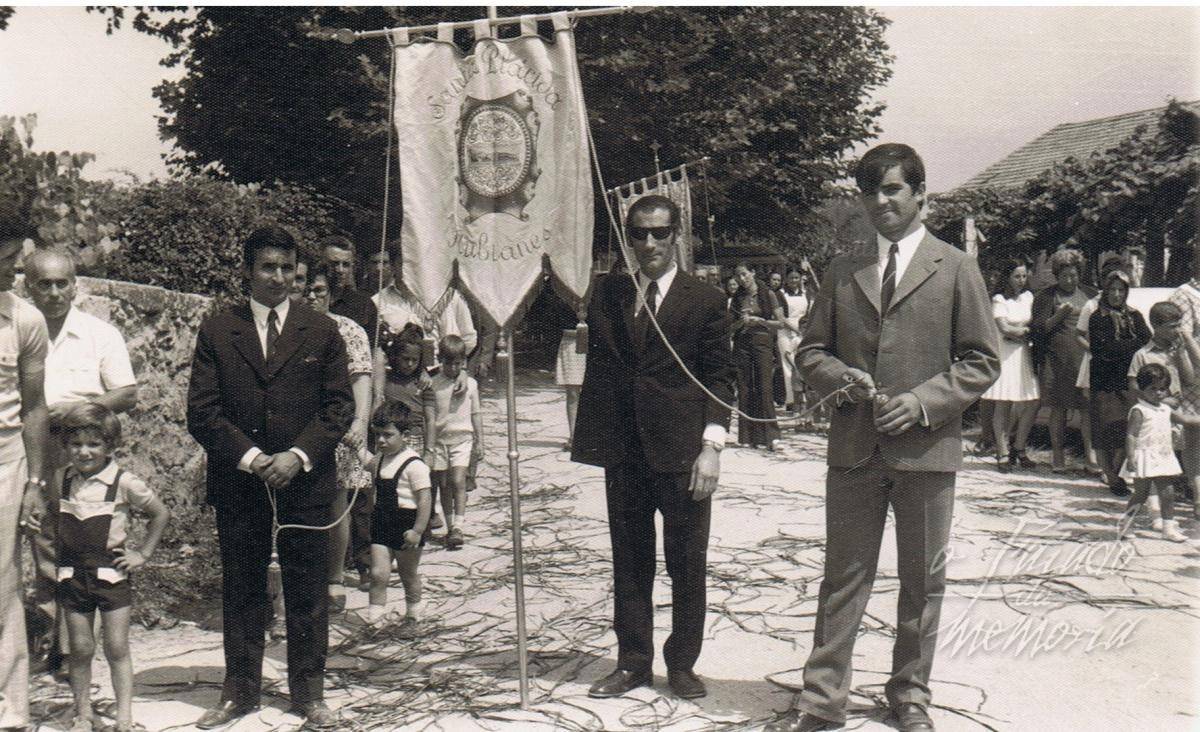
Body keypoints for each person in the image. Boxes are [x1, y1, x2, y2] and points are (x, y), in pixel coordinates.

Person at [770, 144, 999, 732]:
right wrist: (840, 378)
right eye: (869, 191)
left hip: (927, 451)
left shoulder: (957, 267)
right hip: (854, 449)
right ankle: (823, 700)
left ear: (920, 194)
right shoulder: (843, 270)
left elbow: (982, 360)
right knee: (843, 577)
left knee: (923, 582)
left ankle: (910, 696)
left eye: (892, 189)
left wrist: (923, 403)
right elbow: (810, 352)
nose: (880, 201)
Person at [186, 225, 353, 729]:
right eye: (267, 267)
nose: (277, 277)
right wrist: (255, 458)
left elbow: (338, 407)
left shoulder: (321, 330)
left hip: (305, 481)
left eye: (286, 268)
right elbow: (203, 412)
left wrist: (298, 455)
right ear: (248, 271)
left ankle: (309, 694)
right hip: (241, 482)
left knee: (307, 588)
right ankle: (239, 693)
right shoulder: (219, 330)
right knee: (243, 587)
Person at [572, 194, 735, 701]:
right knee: (629, 560)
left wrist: (712, 446)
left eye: (660, 232)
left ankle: (682, 664)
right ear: (628, 238)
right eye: (639, 233)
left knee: (686, 562)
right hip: (624, 452)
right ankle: (633, 663)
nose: (649, 243)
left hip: (683, 454)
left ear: (676, 235)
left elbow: (720, 378)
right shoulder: (608, 293)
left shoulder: (705, 300)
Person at [23, 248, 138, 678]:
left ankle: (75, 651)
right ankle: (48, 641)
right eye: (44, 284)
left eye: (62, 283)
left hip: (83, 450)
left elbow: (126, 392)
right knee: (41, 539)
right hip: (31, 445)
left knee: (82, 542)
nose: (54, 292)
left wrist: (78, 411)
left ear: (75, 286)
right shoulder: (17, 330)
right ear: (28, 287)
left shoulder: (98, 333)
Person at [50, 404, 168, 732]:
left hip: (111, 575)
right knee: (80, 648)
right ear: (65, 445)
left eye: (94, 444)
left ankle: (124, 717)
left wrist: (142, 553)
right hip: (73, 575)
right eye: (76, 444)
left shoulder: (124, 482)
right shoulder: (61, 479)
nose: (84, 452)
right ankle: (83, 713)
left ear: (110, 445)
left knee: (116, 647)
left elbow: (160, 514)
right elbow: (54, 516)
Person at [0, 224, 51, 732]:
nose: (15, 269)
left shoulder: (25, 319)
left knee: (2, 582)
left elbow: (34, 407)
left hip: (5, 461)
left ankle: (8, 711)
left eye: (17, 257)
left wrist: (35, 484)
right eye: (6, 258)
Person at [305, 261, 374, 615]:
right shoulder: (286, 327)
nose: (311, 296)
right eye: (306, 289)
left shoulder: (349, 330)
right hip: (299, 427)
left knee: (336, 499)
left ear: (331, 294)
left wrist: (359, 423)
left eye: (319, 290)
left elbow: (361, 379)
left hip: (339, 427)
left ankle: (334, 577)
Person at [360, 401, 431, 624]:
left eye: (388, 435)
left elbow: (425, 500)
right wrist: (355, 446)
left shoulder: (414, 464)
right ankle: (375, 617)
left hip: (407, 523)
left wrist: (418, 530)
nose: (381, 440)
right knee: (378, 573)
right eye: (377, 435)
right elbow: (368, 464)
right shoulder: (380, 457)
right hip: (382, 521)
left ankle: (414, 613)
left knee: (407, 574)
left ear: (405, 435)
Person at [1117, 364, 1199, 542]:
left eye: (1162, 389)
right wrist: (1130, 457)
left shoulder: (1165, 409)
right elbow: (1131, 435)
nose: (1158, 393)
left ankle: (1168, 528)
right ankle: (1126, 525)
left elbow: (1185, 420)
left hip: (1163, 456)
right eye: (1152, 389)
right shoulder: (1139, 410)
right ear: (1142, 389)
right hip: (1144, 457)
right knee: (1141, 494)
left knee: (1168, 493)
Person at [1030, 249, 1094, 472]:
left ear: (1079, 274)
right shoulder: (1046, 296)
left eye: (1073, 275)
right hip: (1056, 360)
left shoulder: (1090, 293)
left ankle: (1091, 458)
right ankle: (1058, 457)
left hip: (1083, 359)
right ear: (1057, 275)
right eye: (1064, 276)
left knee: (1086, 409)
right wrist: (1059, 315)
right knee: (1058, 408)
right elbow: (1037, 331)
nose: (1069, 280)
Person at [1088, 269, 1150, 498]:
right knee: (1103, 430)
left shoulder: (1134, 316)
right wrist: (1132, 345)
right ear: (1105, 291)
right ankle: (1111, 477)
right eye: (1112, 289)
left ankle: (1116, 473)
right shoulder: (1098, 317)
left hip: (1128, 380)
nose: (1116, 294)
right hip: (1104, 381)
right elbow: (1103, 350)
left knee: (1126, 429)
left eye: (1121, 290)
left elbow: (1147, 340)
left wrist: (1124, 347)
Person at [421, 335, 483, 550]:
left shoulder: (471, 384)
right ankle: (450, 529)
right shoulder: (433, 383)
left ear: (463, 362)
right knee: (444, 485)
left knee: (458, 480)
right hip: (439, 440)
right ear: (440, 360)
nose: (454, 368)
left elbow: (476, 414)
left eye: (458, 363)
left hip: (462, 439)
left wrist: (480, 440)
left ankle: (459, 525)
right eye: (449, 363)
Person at [980, 257, 1040, 473]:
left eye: (1024, 276)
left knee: (1033, 401)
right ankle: (1002, 451)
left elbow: (1034, 324)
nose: (1021, 280)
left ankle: (1019, 447)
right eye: (1016, 276)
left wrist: (1021, 333)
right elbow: (1004, 328)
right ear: (1007, 277)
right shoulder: (999, 300)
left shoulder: (1028, 297)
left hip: (1023, 354)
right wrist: (1024, 332)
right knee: (1003, 403)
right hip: (1005, 356)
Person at [731, 262, 785, 450]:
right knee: (744, 387)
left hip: (762, 341)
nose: (742, 279)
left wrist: (760, 321)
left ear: (753, 273)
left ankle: (772, 436)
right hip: (742, 343)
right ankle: (747, 436)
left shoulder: (767, 294)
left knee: (764, 386)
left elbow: (781, 323)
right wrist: (741, 322)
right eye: (738, 276)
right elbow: (730, 327)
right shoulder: (737, 297)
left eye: (744, 274)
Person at [1169, 246, 1200, 517]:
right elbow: (1185, 337)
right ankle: (1197, 494)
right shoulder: (1185, 294)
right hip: (1195, 375)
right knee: (1195, 436)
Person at [321, 236, 379, 348]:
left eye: (346, 265)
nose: (340, 270)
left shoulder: (364, 305)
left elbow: (375, 350)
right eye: (334, 263)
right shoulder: (308, 298)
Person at [777, 268, 812, 413]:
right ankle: (791, 401)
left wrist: (803, 330)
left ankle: (805, 400)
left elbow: (809, 313)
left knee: (804, 363)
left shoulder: (806, 293)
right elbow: (780, 317)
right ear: (786, 279)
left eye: (796, 277)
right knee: (788, 366)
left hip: (802, 330)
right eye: (791, 278)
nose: (794, 281)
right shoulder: (780, 294)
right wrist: (795, 329)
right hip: (785, 332)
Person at [380, 323, 433, 414]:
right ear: (396, 356)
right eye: (405, 359)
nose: (410, 364)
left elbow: (430, 418)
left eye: (414, 360)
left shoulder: (423, 383)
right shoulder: (383, 379)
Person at [555, 322, 587, 451]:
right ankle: (574, 437)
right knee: (573, 393)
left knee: (597, 392)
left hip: (597, 341)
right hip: (571, 340)